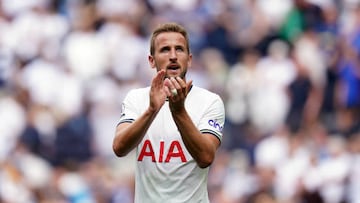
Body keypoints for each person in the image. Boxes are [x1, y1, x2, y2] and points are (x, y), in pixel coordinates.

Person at [112, 22, 225, 202]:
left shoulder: (210, 101)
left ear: (189, 59)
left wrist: (178, 111)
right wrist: (151, 110)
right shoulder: (136, 98)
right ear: (152, 60)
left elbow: (205, 157)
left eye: (179, 49)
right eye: (165, 49)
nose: (173, 56)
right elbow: (119, 147)